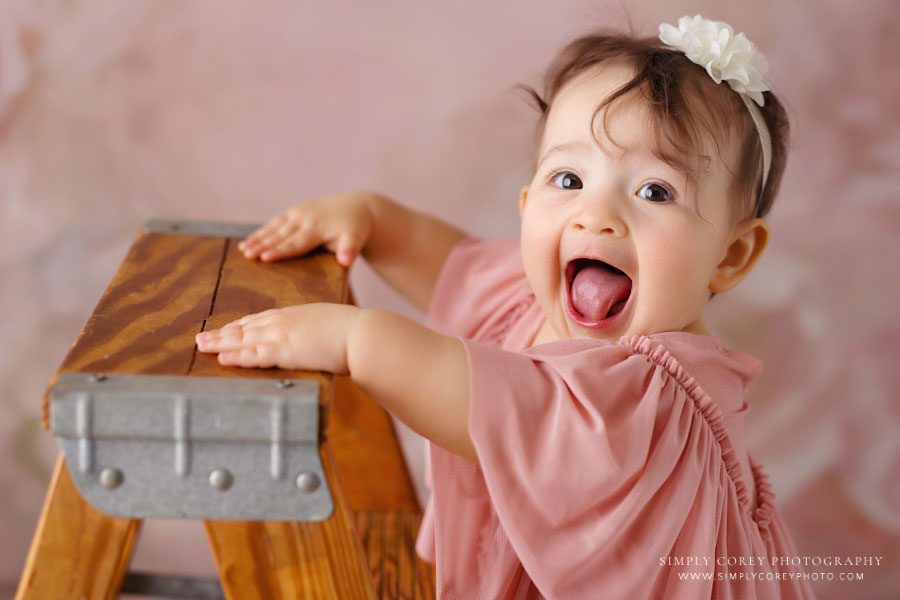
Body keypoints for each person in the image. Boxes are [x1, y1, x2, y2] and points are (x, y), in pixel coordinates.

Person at [196, 15, 816, 599]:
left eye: (655, 191)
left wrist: (356, 340)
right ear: (527, 207)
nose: (594, 215)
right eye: (568, 180)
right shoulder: (534, 297)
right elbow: (447, 262)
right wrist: (374, 219)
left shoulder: (645, 398)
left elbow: (480, 400)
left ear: (730, 256)